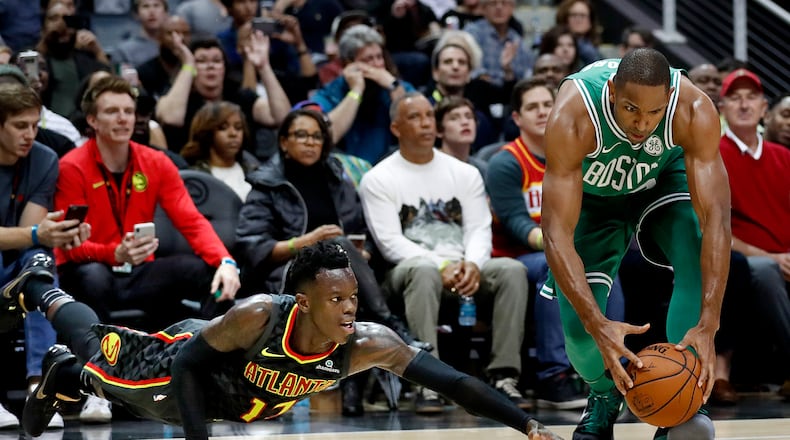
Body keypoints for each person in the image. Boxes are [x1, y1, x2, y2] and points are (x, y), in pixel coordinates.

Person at [3, 241, 564, 440]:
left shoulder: (366, 343)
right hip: (179, 366)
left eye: (352, 299)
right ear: (303, 302)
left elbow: (454, 383)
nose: (350, 310)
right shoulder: (258, 316)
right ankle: (43, 289)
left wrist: (527, 425)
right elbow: (190, 368)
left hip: (230, 401)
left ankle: (63, 374)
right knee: (99, 350)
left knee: (91, 372)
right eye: (336, 301)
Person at [541, 49, 728, 439]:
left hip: (661, 179)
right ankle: (604, 395)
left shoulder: (693, 108)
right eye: (630, 109)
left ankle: (685, 398)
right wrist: (598, 323)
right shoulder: (573, 114)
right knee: (578, 332)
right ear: (611, 91)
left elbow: (716, 221)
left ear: (668, 99)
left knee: (694, 248)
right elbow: (555, 232)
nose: (642, 123)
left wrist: (709, 324)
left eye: (655, 112)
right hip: (594, 201)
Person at [235, 108, 429, 415]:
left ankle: (350, 386)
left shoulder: (336, 178)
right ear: (284, 142)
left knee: (343, 270)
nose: (311, 142)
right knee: (336, 255)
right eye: (301, 135)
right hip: (290, 273)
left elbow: (360, 230)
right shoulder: (266, 185)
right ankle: (390, 323)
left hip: (343, 273)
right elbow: (251, 246)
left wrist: (361, 252)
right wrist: (304, 243)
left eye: (317, 136)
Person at [359, 92, 531, 412]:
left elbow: (479, 228)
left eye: (429, 116)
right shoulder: (378, 178)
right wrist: (443, 266)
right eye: (414, 117)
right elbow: (390, 243)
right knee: (423, 269)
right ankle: (428, 380)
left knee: (512, 270)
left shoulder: (464, 173)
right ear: (395, 128)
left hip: (465, 269)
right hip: (409, 272)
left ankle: (504, 376)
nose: (425, 123)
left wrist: (474, 265)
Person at [54, 75, 241, 335]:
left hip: (139, 272)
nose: (123, 118)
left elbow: (191, 221)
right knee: (92, 275)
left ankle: (213, 355)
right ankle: (105, 361)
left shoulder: (156, 162)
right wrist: (115, 253)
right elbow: (70, 248)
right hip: (90, 271)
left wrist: (225, 262)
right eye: (112, 111)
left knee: (206, 271)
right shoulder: (72, 167)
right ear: (92, 120)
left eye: (129, 111)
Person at [487, 78, 623, 410]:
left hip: (571, 246)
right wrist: (560, 246)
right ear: (517, 118)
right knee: (556, 266)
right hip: (520, 257)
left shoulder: (580, 153)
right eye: (532, 107)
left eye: (547, 105)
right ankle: (554, 374)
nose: (542, 112)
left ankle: (612, 363)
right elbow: (517, 223)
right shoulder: (506, 162)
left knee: (608, 264)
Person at [0, 82, 89, 430]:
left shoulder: (44, 158)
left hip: (17, 258)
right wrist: (39, 233)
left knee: (38, 265)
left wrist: (53, 232)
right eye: (20, 126)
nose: (30, 134)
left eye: (35, 125)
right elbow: (33, 231)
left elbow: (31, 233)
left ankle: (39, 382)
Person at [716, 68, 790, 405]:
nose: (744, 105)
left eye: (751, 98)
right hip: (745, 259)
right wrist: (773, 257)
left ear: (764, 108)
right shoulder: (711, 156)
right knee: (763, 271)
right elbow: (714, 228)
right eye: (735, 98)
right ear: (722, 108)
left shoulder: (784, 157)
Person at [311, 24, 413, 164]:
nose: (377, 65)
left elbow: (416, 126)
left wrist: (394, 87)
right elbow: (329, 135)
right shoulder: (332, 92)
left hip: (392, 169)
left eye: (379, 57)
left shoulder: (395, 86)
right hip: (345, 172)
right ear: (349, 63)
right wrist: (356, 91)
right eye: (368, 59)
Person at [180, 100, 260, 201]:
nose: (233, 134)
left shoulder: (256, 173)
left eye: (238, 128)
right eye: (223, 128)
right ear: (207, 133)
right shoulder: (194, 179)